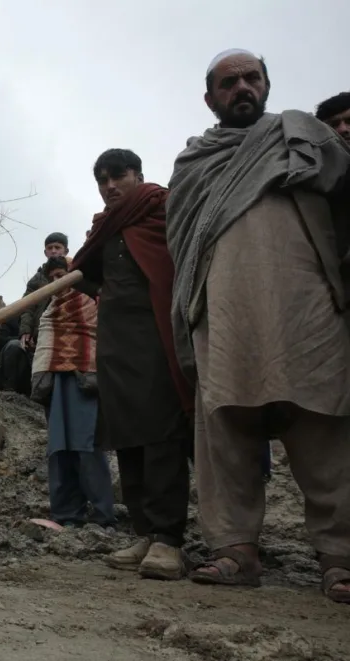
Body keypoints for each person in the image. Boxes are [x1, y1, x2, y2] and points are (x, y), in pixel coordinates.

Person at [166, 49, 350, 604]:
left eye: (251, 78)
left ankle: (341, 557)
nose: (241, 87)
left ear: (267, 84)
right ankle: (235, 550)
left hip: (306, 303)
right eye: (229, 82)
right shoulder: (194, 163)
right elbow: (181, 241)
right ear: (210, 98)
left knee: (325, 424)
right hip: (223, 309)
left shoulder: (305, 135)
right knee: (225, 428)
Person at [71, 148, 194, 581]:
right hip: (116, 344)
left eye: (117, 176)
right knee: (127, 435)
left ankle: (168, 539)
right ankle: (143, 532)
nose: (109, 187)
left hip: (158, 337)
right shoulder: (105, 227)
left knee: (161, 435)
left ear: (138, 175)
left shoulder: (164, 208)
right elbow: (89, 275)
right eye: (102, 180)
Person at [30, 256, 115, 528]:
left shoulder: (92, 303)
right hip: (55, 383)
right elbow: (45, 341)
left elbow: (97, 335)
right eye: (53, 278)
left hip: (85, 381)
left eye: (62, 275)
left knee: (87, 447)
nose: (58, 282)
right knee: (59, 449)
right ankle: (66, 513)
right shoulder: (49, 310)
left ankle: (103, 515)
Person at [0, 232, 69, 395]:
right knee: (15, 347)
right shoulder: (37, 279)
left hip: (58, 337)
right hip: (34, 339)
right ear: (45, 252)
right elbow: (28, 306)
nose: (53, 251)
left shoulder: (73, 275)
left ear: (65, 251)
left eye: (57, 247)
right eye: (50, 248)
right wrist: (25, 332)